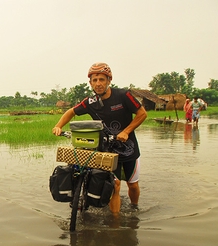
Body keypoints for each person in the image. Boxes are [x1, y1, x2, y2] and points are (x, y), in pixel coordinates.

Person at [52, 62, 147, 214]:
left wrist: (126, 131)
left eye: (102, 79)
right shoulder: (91, 102)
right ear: (90, 83)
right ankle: (115, 223)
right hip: (107, 151)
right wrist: (58, 126)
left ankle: (134, 210)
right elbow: (71, 112)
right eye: (94, 80)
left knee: (133, 185)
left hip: (129, 149)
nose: (98, 83)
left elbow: (142, 113)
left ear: (109, 80)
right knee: (115, 186)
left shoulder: (123, 95)